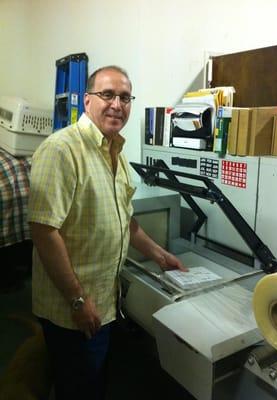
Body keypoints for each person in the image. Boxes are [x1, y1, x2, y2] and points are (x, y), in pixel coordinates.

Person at [27, 65, 186, 400]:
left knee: (92, 379)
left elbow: (125, 219)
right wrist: (77, 300)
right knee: (77, 385)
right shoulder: (61, 150)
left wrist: (161, 256)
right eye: (108, 94)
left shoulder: (117, 153)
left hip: (104, 302)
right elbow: (44, 232)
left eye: (125, 97)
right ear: (87, 101)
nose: (117, 104)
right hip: (71, 308)